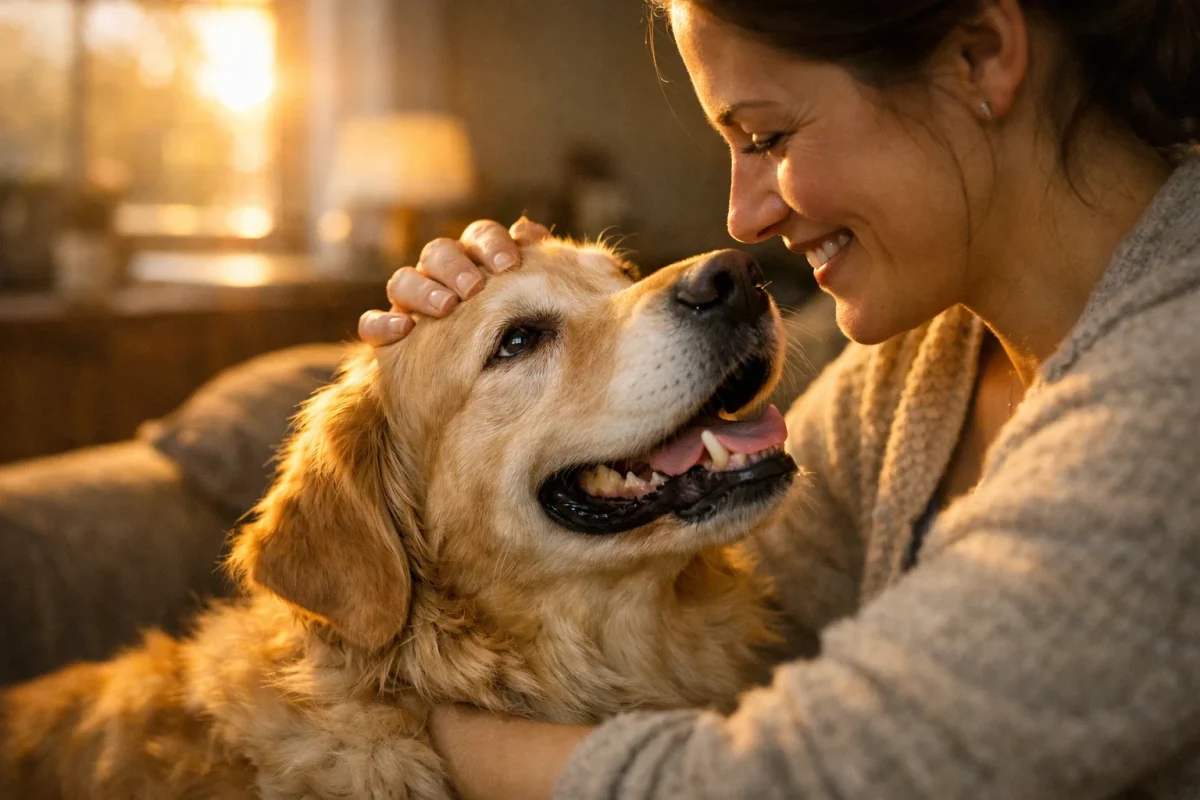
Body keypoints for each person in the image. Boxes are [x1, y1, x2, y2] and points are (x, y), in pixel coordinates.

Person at [358, 0, 1200, 797]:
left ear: (980, 56)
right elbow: (727, 616)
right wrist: (431, 361)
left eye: (768, 134)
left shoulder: (1175, 391)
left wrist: (402, 739)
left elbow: (797, 778)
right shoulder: (926, 368)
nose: (744, 216)